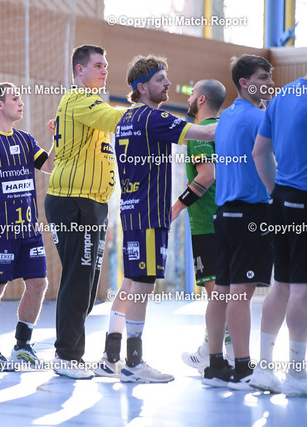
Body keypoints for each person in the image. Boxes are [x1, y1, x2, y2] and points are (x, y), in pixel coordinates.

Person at [111, 55, 217, 383]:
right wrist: (252, 120)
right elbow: (205, 132)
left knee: (133, 283)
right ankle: (133, 363)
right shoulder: (153, 118)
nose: (168, 84)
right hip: (148, 213)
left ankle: (113, 356)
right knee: (142, 286)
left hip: (132, 210)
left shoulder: (126, 118)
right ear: (142, 87)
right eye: (160, 79)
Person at [44, 44, 123, 380]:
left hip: (92, 204)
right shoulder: (80, 99)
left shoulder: (88, 105)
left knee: (87, 285)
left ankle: (71, 353)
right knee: (78, 279)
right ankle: (66, 356)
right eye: (98, 65)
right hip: (74, 202)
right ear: (79, 70)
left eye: (106, 65)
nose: (105, 70)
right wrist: (149, 111)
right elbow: (117, 118)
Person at [0, 82, 53, 370]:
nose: (21, 102)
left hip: (28, 230)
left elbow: (50, 166)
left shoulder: (26, 139)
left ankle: (22, 346)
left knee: (39, 283)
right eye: (15, 98)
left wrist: (57, 139)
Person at [204, 54, 274, 390]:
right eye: (263, 77)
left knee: (221, 292)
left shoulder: (226, 117)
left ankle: (216, 364)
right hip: (250, 214)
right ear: (245, 83)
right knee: (239, 294)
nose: (270, 83)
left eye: (270, 76)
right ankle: (243, 368)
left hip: (225, 216)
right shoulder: (258, 118)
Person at [170, 79, 233, 373]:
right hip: (229, 219)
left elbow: (206, 176)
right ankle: (212, 350)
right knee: (226, 293)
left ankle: (222, 355)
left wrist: (175, 208)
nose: (189, 97)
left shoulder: (200, 133)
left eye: (192, 93)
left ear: (202, 99)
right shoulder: (226, 130)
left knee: (216, 294)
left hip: (208, 222)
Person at [251, 73, 307, 397]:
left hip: (282, 200)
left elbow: (260, 152)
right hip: (303, 201)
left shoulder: (283, 95)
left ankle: (264, 368)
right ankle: (297, 374)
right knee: (301, 289)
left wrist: (276, 192)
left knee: (282, 285)